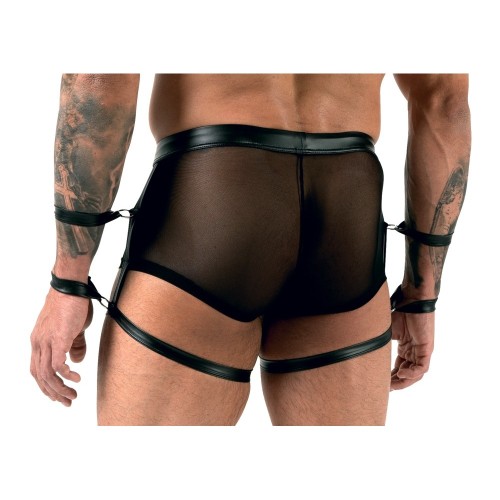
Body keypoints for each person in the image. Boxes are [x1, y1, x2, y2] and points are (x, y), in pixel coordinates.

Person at [29, 74, 471, 425]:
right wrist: (421, 293)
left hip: (213, 199)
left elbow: (100, 81)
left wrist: (69, 281)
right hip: (347, 213)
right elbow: (444, 101)